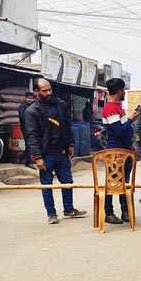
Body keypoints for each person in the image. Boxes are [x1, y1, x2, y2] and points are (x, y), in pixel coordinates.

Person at [24, 78, 87, 224]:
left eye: (49, 89)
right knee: (47, 184)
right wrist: (38, 157)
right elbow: (32, 136)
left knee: (67, 182)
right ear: (37, 91)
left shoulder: (60, 104)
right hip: (46, 155)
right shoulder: (32, 110)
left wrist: (70, 144)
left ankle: (69, 209)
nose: (48, 92)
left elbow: (67, 126)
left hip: (62, 152)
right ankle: (51, 213)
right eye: (44, 90)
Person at [101, 78, 140, 225]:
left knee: (124, 182)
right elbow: (118, 131)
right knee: (113, 182)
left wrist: (130, 144)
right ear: (119, 91)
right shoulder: (110, 109)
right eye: (123, 90)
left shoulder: (116, 107)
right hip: (115, 153)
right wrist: (131, 119)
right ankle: (109, 213)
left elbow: (123, 132)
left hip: (124, 151)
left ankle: (125, 211)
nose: (124, 93)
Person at [18, 91, 36, 169]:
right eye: (28, 98)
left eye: (31, 98)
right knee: (29, 144)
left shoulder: (34, 106)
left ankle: (21, 158)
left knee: (29, 144)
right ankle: (28, 162)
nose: (29, 100)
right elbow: (23, 117)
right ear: (25, 98)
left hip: (33, 128)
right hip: (26, 128)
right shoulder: (22, 107)